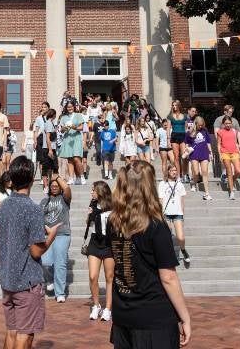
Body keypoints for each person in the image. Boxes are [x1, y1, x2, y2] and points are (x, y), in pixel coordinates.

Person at [107, 161, 191, 348]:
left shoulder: (114, 222)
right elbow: (168, 277)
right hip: (153, 315)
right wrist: (184, 317)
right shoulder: (155, 225)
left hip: (124, 312)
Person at [0, 156, 60, 349]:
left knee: (11, 330)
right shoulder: (32, 208)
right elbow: (36, 251)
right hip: (27, 281)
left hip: (8, 279)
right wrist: (52, 236)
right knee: (25, 335)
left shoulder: (3, 206)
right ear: (32, 179)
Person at [40, 174, 72, 302]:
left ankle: (60, 293)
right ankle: (49, 279)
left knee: (60, 264)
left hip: (62, 234)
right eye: (52, 185)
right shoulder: (44, 201)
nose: (54, 187)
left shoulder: (65, 199)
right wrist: (45, 227)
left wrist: (57, 177)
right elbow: (38, 218)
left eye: (56, 186)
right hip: (47, 234)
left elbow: (68, 189)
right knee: (45, 262)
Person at [86, 180, 114, 322]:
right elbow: (88, 223)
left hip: (109, 243)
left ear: (101, 192)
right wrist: (90, 214)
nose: (91, 192)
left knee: (109, 277)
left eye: (94, 190)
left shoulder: (113, 206)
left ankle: (108, 308)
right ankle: (96, 305)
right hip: (95, 242)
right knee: (92, 276)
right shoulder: (92, 204)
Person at [158, 164, 190, 265]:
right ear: (167, 172)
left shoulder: (180, 184)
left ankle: (183, 250)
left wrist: (183, 214)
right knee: (167, 236)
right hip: (166, 213)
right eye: (172, 170)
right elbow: (160, 199)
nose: (174, 172)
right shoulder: (162, 184)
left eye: (175, 170)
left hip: (177, 213)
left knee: (181, 237)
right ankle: (169, 255)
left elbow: (182, 200)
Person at [58, 100, 86, 184]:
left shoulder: (78, 115)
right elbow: (61, 130)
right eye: (68, 107)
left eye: (71, 106)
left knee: (76, 158)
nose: (70, 108)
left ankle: (81, 176)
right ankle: (71, 178)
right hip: (67, 139)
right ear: (66, 108)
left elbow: (82, 127)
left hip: (76, 138)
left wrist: (75, 127)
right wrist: (64, 128)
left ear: (74, 107)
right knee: (70, 159)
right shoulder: (63, 117)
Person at [216, 115, 240, 200]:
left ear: (232, 123)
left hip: (234, 152)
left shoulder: (234, 131)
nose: (228, 125)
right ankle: (231, 192)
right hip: (225, 153)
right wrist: (220, 154)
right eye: (226, 123)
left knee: (238, 171)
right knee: (229, 172)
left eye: (229, 123)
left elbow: (235, 143)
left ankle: (231, 181)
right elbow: (218, 144)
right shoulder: (220, 132)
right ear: (223, 124)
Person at [188, 116, 214, 201]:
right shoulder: (190, 132)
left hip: (204, 153)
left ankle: (207, 193)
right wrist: (186, 150)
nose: (200, 127)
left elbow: (208, 142)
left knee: (205, 172)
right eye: (199, 125)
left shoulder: (205, 131)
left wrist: (210, 153)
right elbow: (187, 143)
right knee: (196, 172)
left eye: (201, 125)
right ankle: (194, 183)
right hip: (194, 154)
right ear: (195, 124)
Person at [39, 108, 59, 190]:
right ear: (53, 115)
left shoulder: (51, 123)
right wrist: (50, 150)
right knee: (46, 168)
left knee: (53, 167)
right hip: (47, 149)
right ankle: (46, 186)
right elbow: (47, 137)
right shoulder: (48, 123)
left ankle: (51, 184)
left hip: (52, 148)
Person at [167, 101, 187, 183]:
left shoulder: (184, 116)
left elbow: (186, 128)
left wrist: (188, 139)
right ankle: (178, 176)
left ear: (179, 106)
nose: (174, 107)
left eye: (175, 105)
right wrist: (168, 140)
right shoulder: (170, 116)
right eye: (173, 105)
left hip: (183, 136)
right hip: (174, 136)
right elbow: (168, 128)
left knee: (184, 156)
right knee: (176, 157)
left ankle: (185, 174)